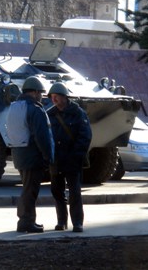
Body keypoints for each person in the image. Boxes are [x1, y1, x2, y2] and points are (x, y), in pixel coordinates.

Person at [6, 76, 54, 233]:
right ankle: (26, 222)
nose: (41, 96)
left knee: (27, 188)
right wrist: (48, 156)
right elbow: (42, 136)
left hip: (19, 154)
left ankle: (26, 220)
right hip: (32, 155)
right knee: (30, 190)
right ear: (34, 92)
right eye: (40, 93)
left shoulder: (14, 107)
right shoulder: (35, 109)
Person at [46, 82, 92, 233]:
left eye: (57, 96)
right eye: (52, 97)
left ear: (64, 97)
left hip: (72, 159)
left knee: (75, 193)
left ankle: (77, 222)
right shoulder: (50, 114)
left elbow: (85, 136)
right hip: (56, 160)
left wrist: (76, 155)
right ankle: (61, 221)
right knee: (57, 191)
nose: (54, 100)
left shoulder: (78, 113)